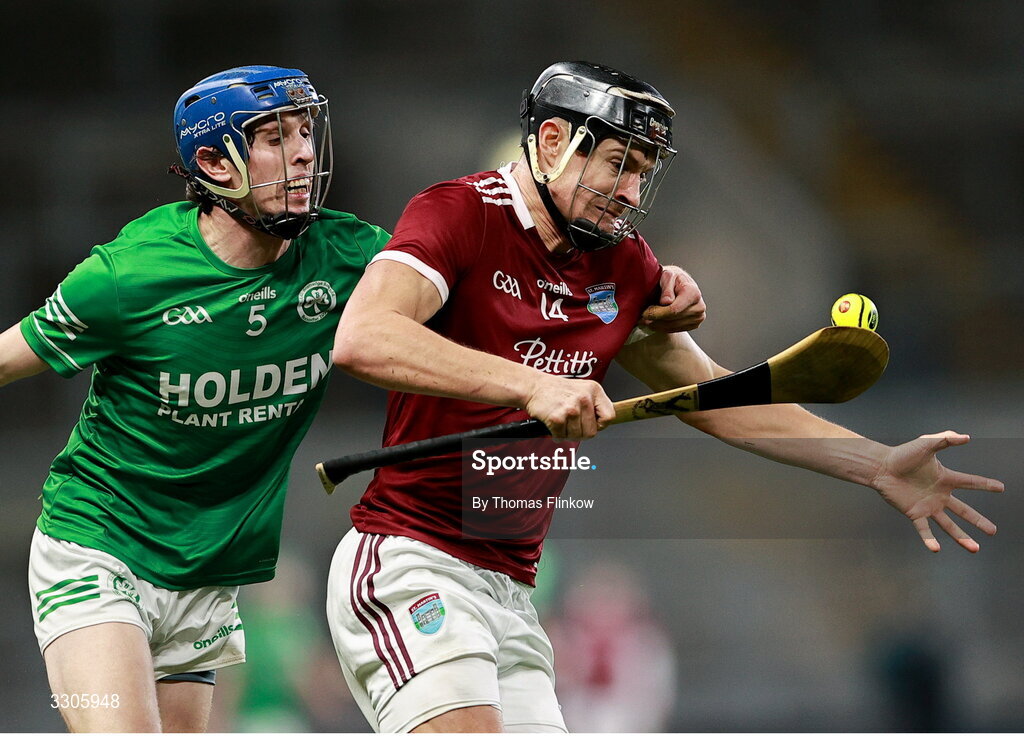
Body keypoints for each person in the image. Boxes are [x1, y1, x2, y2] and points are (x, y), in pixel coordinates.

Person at [326, 60, 1004, 733]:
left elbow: (716, 397)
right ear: (555, 142)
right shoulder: (462, 212)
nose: (630, 190)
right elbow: (364, 337)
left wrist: (875, 464)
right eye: (619, 163)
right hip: (409, 562)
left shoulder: (624, 266)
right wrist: (534, 384)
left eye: (644, 172)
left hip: (510, 591)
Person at [0, 65, 394, 732]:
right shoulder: (131, 273)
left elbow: (469, 314)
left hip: (208, 574)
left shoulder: (348, 257)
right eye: (274, 136)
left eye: (305, 131)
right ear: (212, 162)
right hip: (99, 545)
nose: (302, 150)